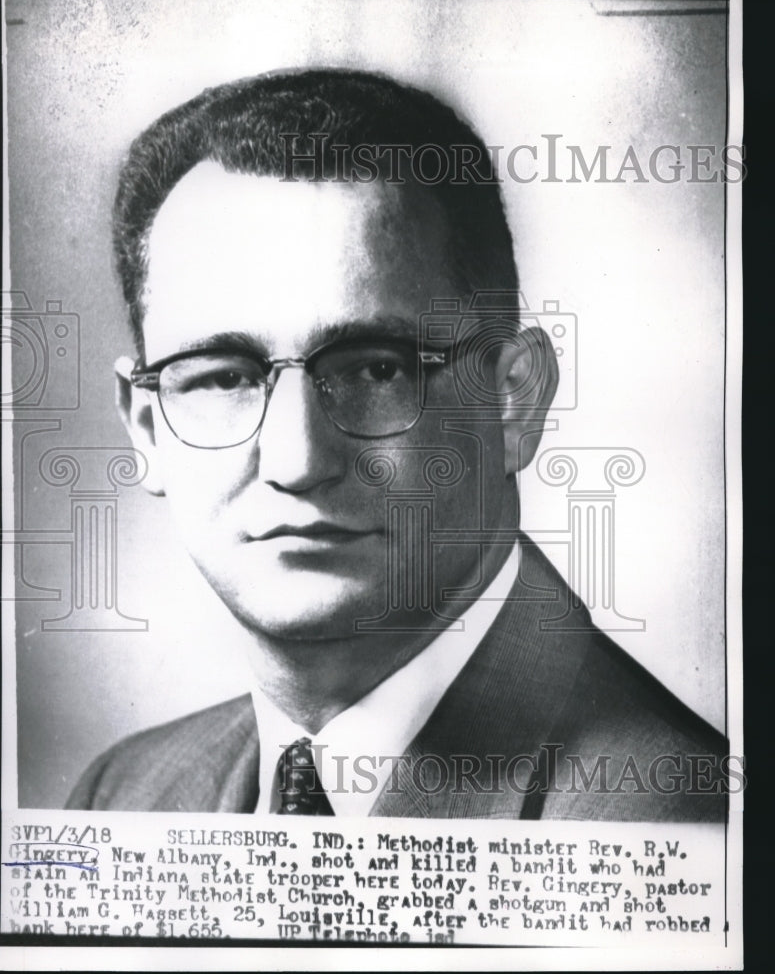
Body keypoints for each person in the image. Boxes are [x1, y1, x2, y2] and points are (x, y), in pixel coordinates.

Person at [67, 68, 728, 819]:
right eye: (223, 378)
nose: (296, 462)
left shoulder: (680, 823)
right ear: (146, 426)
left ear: (513, 397)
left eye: (376, 369)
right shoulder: (120, 797)